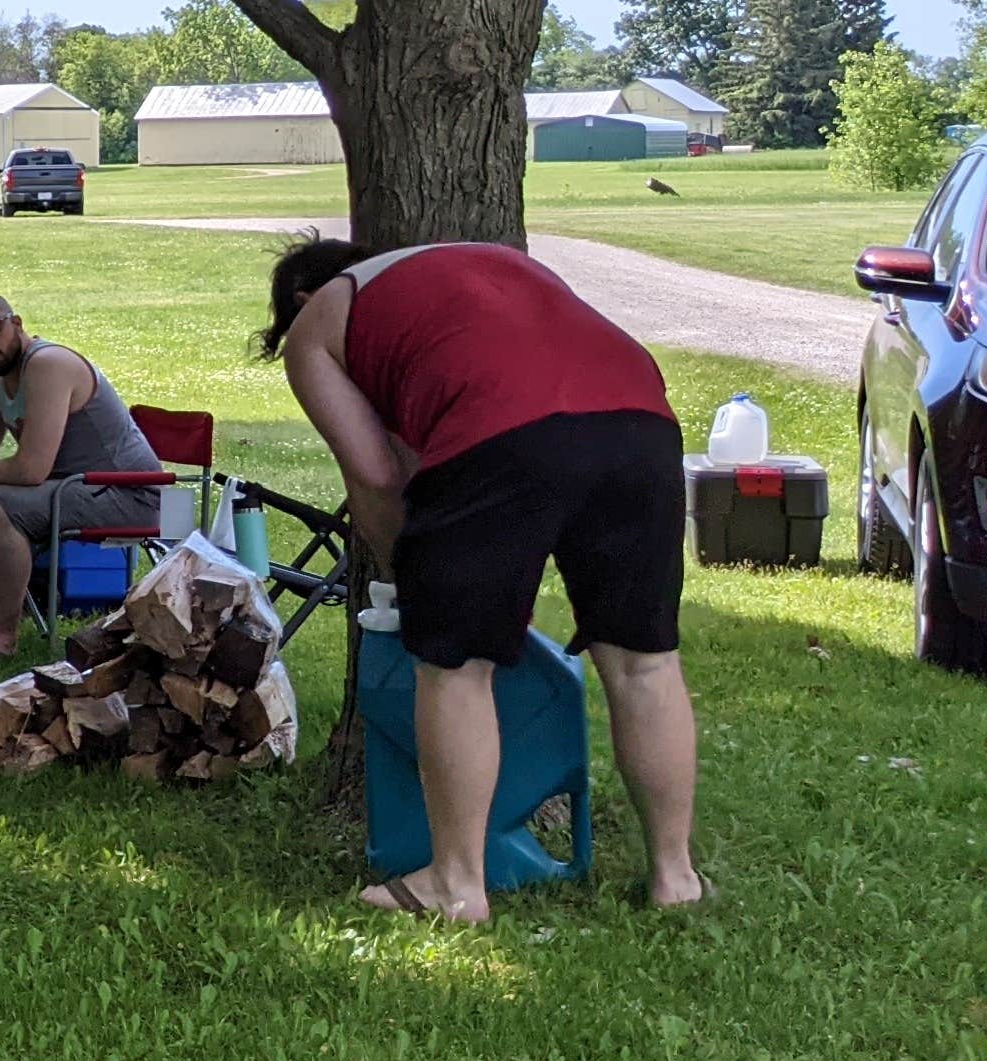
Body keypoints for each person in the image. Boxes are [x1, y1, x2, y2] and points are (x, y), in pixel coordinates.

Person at [263, 236, 703, 921]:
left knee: (455, 666)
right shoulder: (470, 269)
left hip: (502, 427)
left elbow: (377, 476)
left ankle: (456, 884)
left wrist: (410, 580)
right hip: (639, 421)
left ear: (300, 301)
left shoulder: (317, 326)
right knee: (644, 662)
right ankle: (676, 878)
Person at [0, 292, 164, 664]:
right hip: (74, 489)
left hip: (127, 493)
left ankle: (3, 637)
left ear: (15, 323)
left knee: (4, 504)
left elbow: (31, 469)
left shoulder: (49, 364)